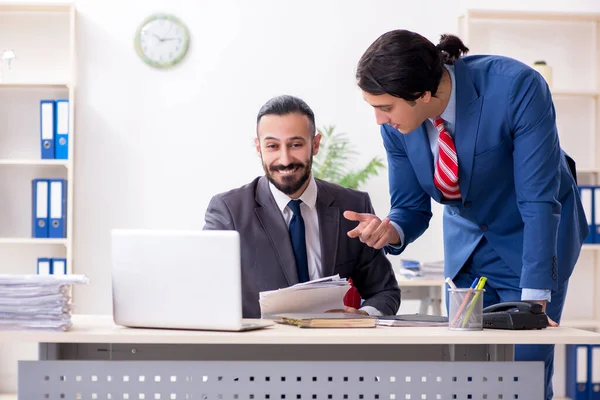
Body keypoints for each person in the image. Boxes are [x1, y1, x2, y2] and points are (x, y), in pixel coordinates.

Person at [347, 30, 589, 399]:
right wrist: (390, 229)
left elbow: (538, 200)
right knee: (465, 375)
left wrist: (536, 298)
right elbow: (410, 206)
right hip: (468, 248)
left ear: (423, 94)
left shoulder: (516, 87)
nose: (379, 119)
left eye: (385, 107)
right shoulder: (399, 126)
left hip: (532, 241)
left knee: (524, 373)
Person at [203, 94, 401, 319]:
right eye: (272, 146)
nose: (285, 159)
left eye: (295, 144)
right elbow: (205, 292)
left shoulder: (352, 206)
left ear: (315, 145)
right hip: (259, 349)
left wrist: (363, 316)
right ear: (258, 148)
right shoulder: (229, 212)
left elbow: (385, 291)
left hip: (330, 348)